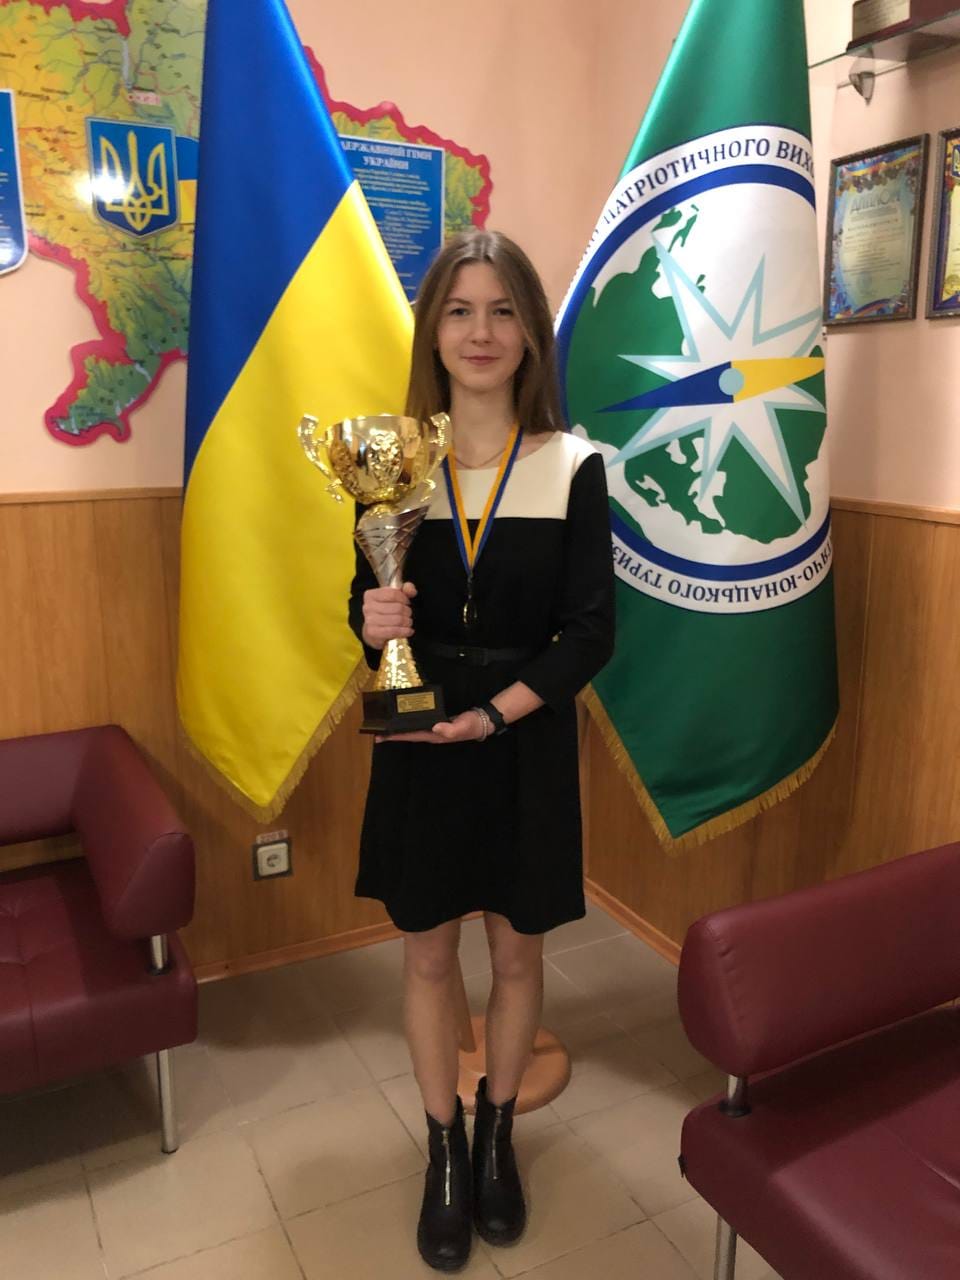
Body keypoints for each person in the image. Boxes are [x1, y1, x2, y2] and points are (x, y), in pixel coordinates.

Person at [348, 229, 615, 1272]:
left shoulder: (574, 465)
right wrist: (370, 619)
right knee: (426, 954)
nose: (481, 331)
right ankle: (445, 1149)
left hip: (521, 735)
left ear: (532, 332)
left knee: (515, 953)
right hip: (420, 733)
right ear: (433, 330)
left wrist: (496, 714)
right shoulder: (389, 465)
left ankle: (499, 1134)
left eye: (504, 310)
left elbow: (588, 634)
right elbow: (368, 615)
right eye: (460, 310)